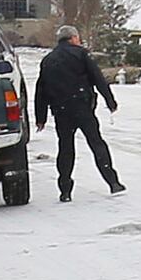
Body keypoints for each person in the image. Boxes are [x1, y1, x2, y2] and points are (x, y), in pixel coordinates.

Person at [34, 23, 125, 199]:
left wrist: (41, 117)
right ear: (73, 38)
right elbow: (97, 78)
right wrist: (110, 100)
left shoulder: (48, 60)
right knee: (96, 143)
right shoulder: (81, 54)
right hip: (82, 106)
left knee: (66, 148)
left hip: (61, 109)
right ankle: (113, 182)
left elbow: (41, 90)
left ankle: (65, 189)